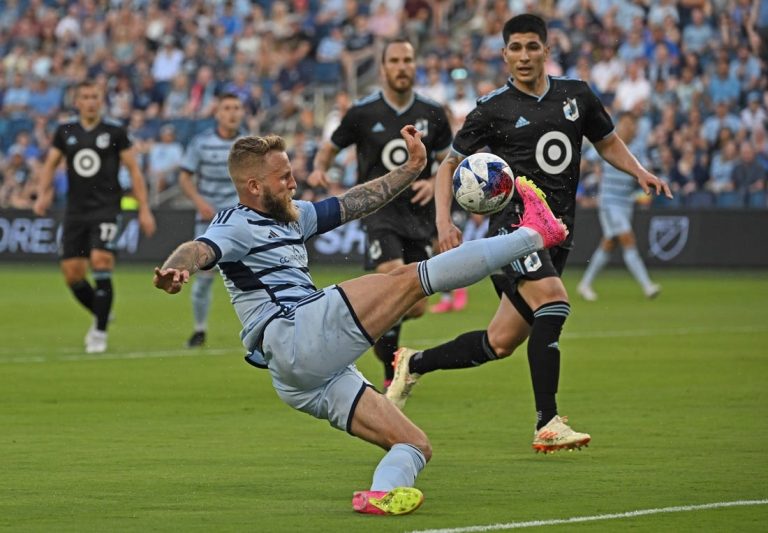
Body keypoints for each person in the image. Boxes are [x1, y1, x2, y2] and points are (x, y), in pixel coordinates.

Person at [153, 125, 568, 514]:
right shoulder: (235, 224)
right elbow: (199, 248)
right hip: (296, 331)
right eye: (283, 178)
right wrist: (178, 268)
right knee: (408, 279)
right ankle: (533, 234)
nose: (293, 182)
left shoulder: (292, 215)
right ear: (254, 186)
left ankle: (382, 492)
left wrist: (410, 169)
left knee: (414, 445)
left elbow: (354, 202)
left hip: (302, 375)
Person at [385, 14, 672, 453]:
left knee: (499, 343)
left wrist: (639, 171)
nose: (523, 56)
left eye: (531, 47)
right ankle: (547, 421)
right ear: (504, 54)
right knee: (554, 303)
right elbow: (447, 166)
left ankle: (414, 362)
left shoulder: (577, 96)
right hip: (514, 229)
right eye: (514, 48)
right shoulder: (491, 108)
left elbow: (607, 141)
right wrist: (445, 222)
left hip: (558, 233)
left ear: (545, 49)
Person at [308, 37, 453, 389]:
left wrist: (432, 179)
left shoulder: (433, 112)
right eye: (395, 61)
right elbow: (330, 146)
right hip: (378, 211)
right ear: (384, 68)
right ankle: (356, 334)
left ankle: (387, 358)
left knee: (413, 303)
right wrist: (319, 168)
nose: (402, 66)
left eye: (408, 60)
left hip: (418, 216)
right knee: (394, 276)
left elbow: (451, 160)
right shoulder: (363, 112)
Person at [33, 79, 156, 353]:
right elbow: (50, 164)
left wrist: (144, 208)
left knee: (101, 260)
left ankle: (99, 333)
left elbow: (134, 170)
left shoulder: (115, 132)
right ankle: (102, 310)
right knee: (72, 275)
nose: (90, 101)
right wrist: (43, 194)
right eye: (85, 97)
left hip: (106, 209)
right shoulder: (65, 131)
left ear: (101, 101)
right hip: (75, 211)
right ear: (77, 102)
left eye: (95, 97)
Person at [178, 92, 245, 348]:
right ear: (217, 113)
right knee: (204, 278)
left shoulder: (249, 144)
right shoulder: (201, 142)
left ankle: (260, 332)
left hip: (242, 220)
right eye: (227, 108)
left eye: (236, 107)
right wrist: (199, 202)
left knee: (250, 278)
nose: (232, 113)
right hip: (209, 222)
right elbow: (185, 177)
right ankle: (199, 329)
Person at [577, 113, 661, 301]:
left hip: (626, 203)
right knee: (627, 238)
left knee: (609, 242)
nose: (627, 128)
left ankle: (585, 283)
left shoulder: (638, 149)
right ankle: (647, 286)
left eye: (631, 125)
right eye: (624, 124)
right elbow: (587, 160)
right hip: (609, 202)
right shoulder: (608, 143)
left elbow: (646, 172)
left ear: (635, 129)